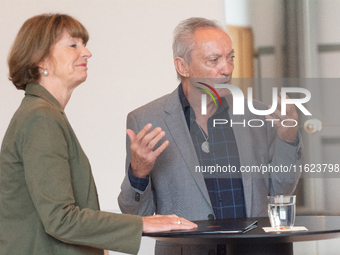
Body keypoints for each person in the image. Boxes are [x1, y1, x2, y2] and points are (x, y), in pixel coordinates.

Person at [0, 13, 197, 255]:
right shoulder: (41, 117)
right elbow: (60, 219)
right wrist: (144, 223)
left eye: (83, 44)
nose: (86, 52)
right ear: (40, 60)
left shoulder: (43, 112)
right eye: (73, 45)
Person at [118, 17, 303, 254]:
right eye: (214, 60)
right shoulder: (145, 120)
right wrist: (138, 173)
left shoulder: (259, 115)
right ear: (182, 66)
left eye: (230, 58)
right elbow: (136, 216)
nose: (226, 68)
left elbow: (281, 191)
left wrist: (288, 138)